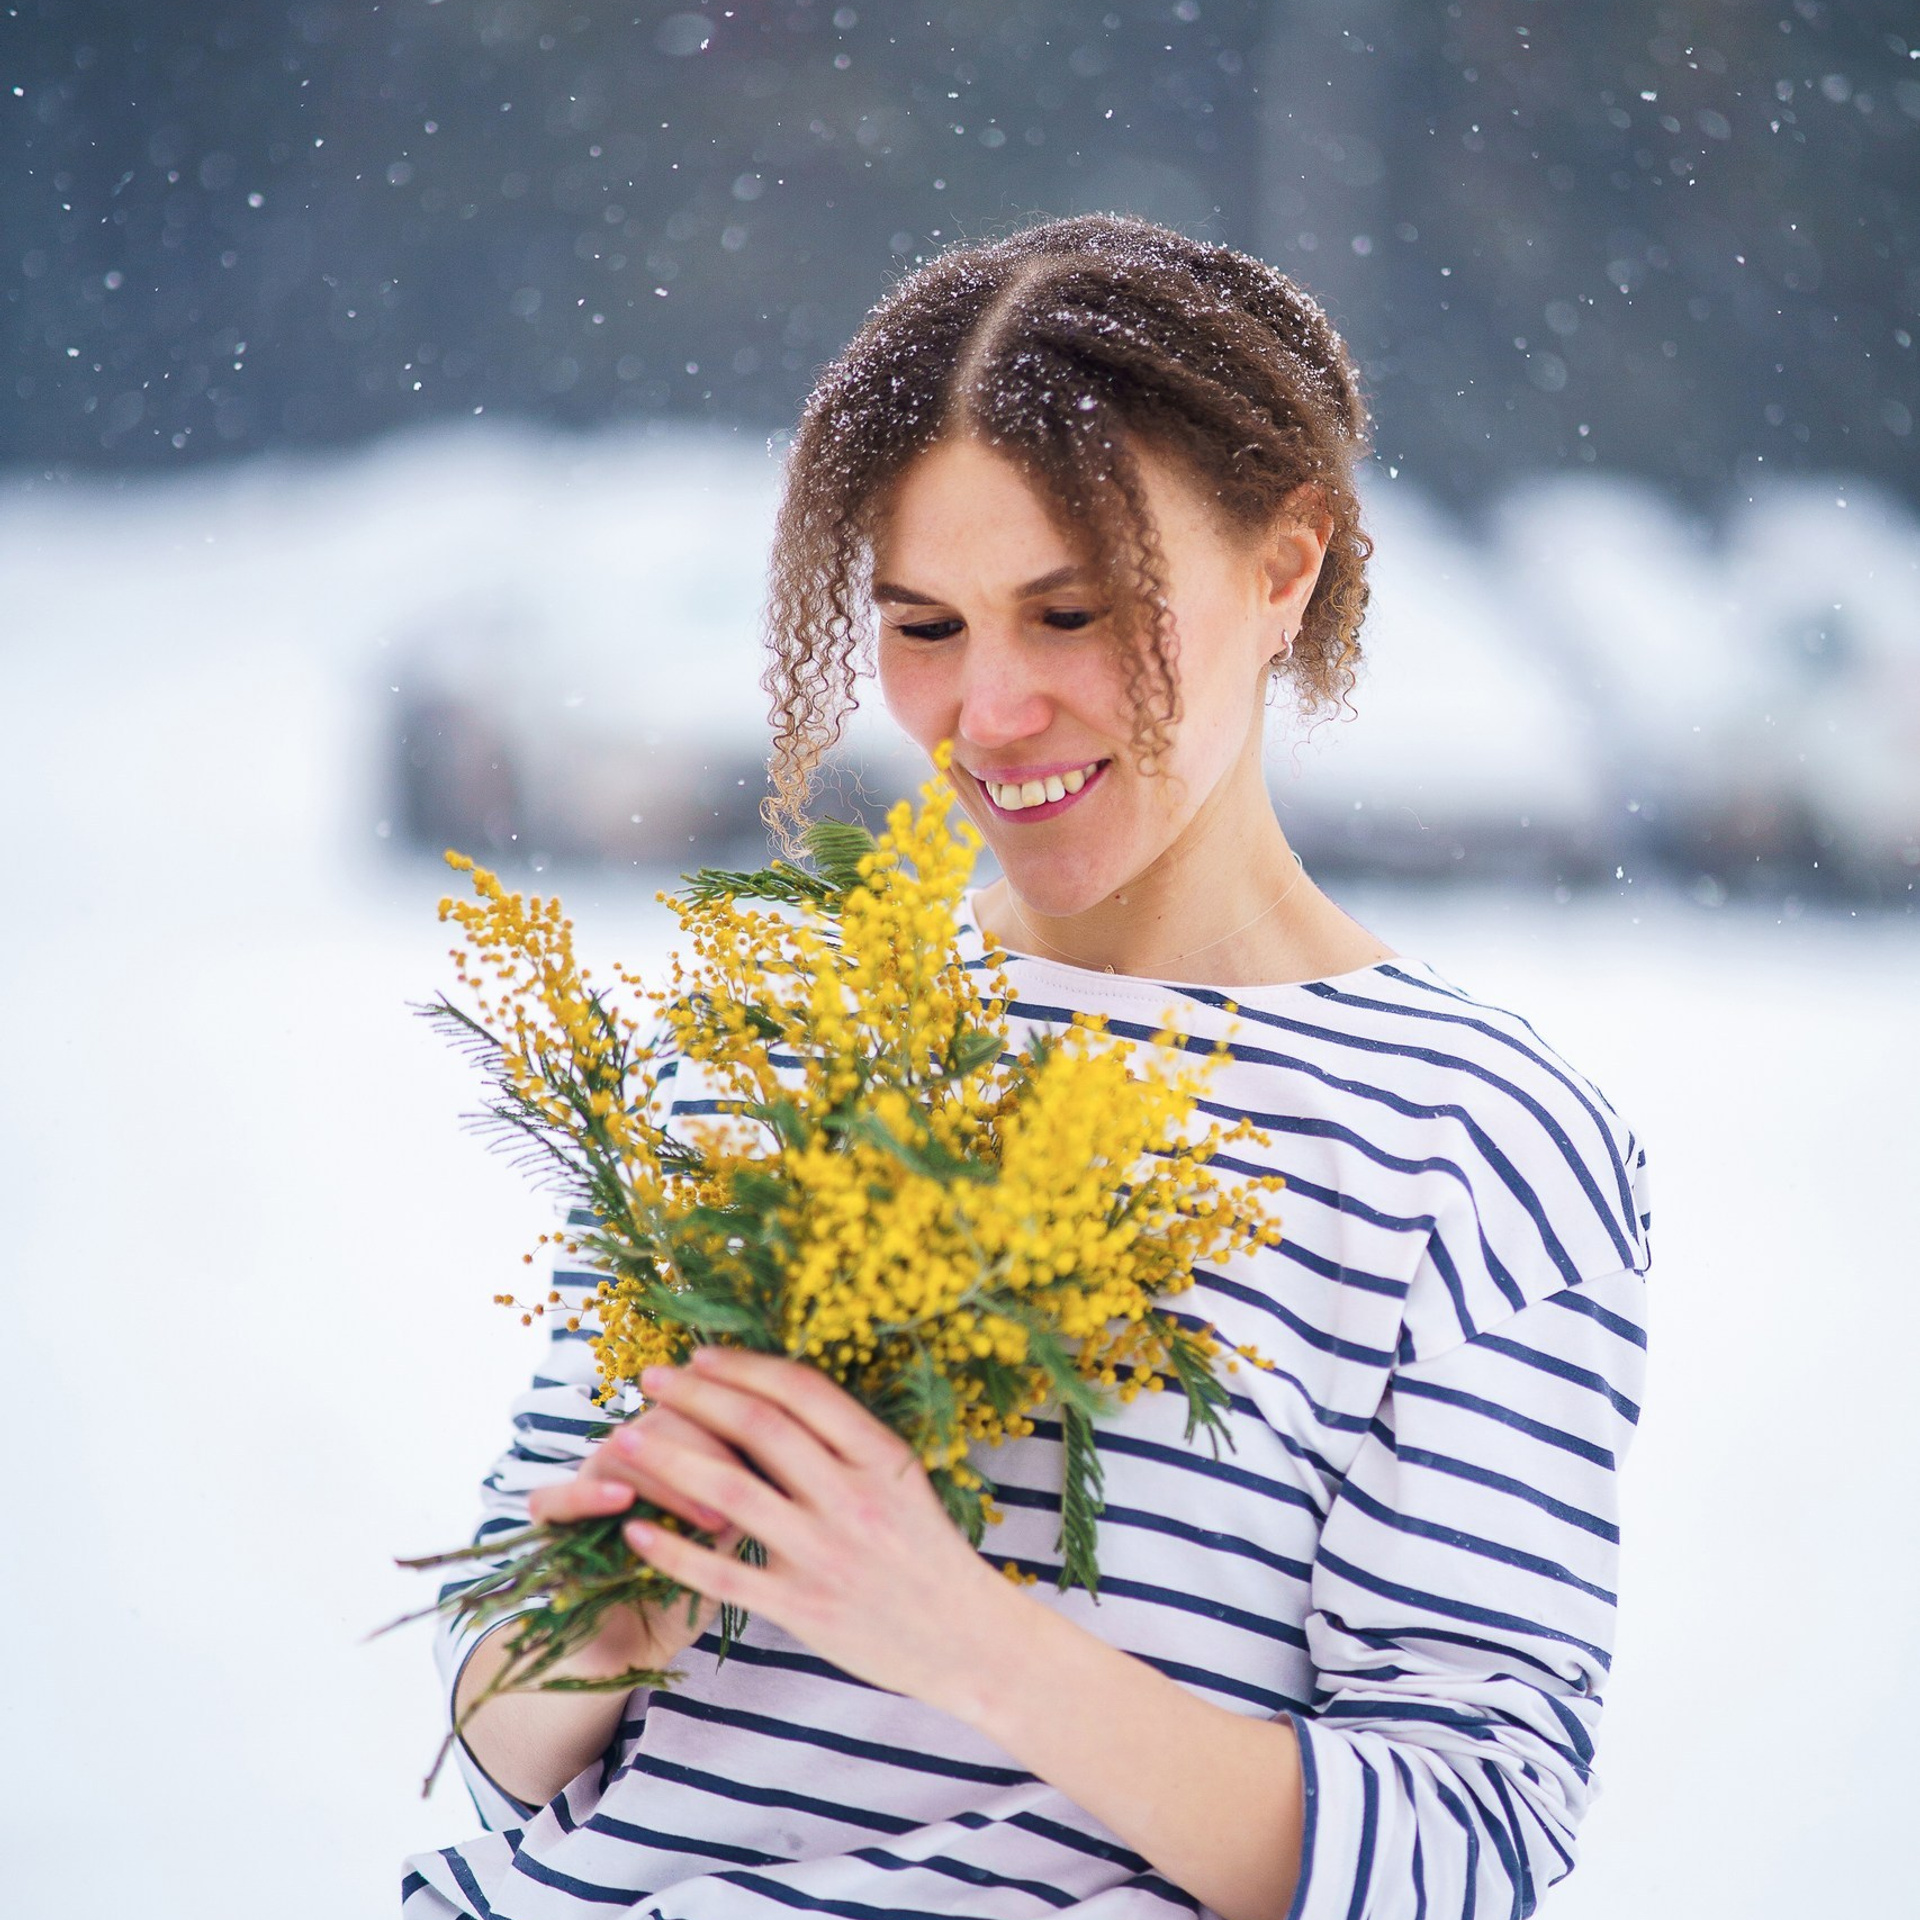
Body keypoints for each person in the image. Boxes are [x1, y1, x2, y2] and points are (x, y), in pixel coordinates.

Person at [403, 214, 1653, 1920]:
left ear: (1287, 565)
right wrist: (598, 1626)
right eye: (923, 626)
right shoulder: (784, 1037)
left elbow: (1462, 1847)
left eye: (1071, 613)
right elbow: (495, 1737)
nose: (986, 714)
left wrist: (968, 1640)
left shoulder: (1458, 1145)